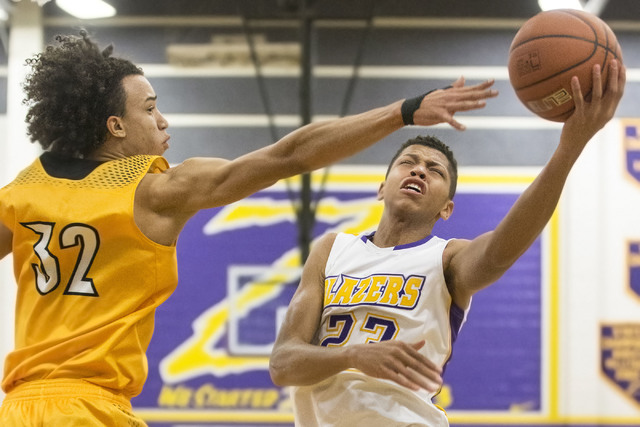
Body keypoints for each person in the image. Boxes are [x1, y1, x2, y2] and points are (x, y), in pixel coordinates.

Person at [0, 30, 497, 426]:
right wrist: (402, 111)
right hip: (89, 410)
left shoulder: (23, 190)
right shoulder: (157, 189)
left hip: (18, 408)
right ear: (115, 126)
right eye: (150, 109)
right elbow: (289, 154)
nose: (163, 122)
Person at [269, 59, 626, 426]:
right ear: (382, 187)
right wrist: (352, 357)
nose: (419, 169)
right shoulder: (331, 250)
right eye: (408, 162)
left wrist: (568, 148)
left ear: (447, 208)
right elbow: (283, 363)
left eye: (434, 170)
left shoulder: (447, 258)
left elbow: (502, 250)